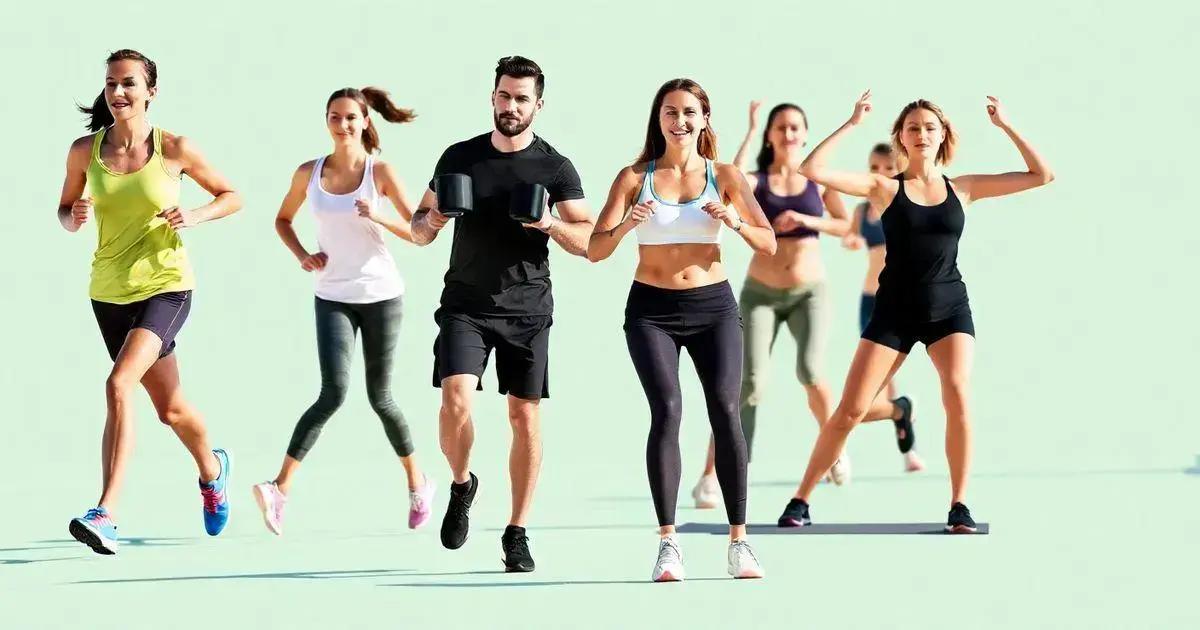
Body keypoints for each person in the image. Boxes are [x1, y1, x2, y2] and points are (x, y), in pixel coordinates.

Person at [777, 92, 1054, 533]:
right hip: (893, 312)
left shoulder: (964, 188)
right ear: (901, 138)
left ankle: (960, 505)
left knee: (958, 392)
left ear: (942, 135)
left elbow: (1042, 175)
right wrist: (851, 123)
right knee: (850, 409)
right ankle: (801, 499)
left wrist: (1005, 125)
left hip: (949, 310)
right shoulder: (884, 188)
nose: (921, 133)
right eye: (912, 128)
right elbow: (811, 170)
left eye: (929, 127)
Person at [409, 56, 594, 572]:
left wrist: (548, 224)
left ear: (539, 104)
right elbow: (419, 229)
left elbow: (590, 240)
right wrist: (438, 216)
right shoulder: (459, 155)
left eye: (522, 99)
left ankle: (517, 531)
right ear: (492, 96)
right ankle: (462, 484)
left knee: (524, 415)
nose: (511, 106)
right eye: (504, 96)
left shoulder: (555, 167)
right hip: (465, 305)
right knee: (455, 399)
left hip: (528, 309)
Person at [56, 49, 242, 555]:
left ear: (150, 91)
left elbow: (231, 194)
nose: (118, 93)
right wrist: (73, 216)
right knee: (171, 409)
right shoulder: (83, 151)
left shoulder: (174, 147)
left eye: (129, 84)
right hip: (108, 292)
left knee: (119, 384)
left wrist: (196, 216)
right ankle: (212, 469)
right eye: (111, 84)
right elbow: (64, 211)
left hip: (166, 285)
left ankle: (105, 513)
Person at [588, 79, 775, 581]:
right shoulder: (633, 177)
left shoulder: (727, 175)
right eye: (670, 112)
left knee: (725, 408)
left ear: (704, 118)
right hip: (651, 310)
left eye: (690, 112)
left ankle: (740, 542)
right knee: (668, 409)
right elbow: (595, 248)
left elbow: (769, 243)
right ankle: (669, 543)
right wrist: (628, 223)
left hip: (714, 305)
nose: (680, 121)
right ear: (659, 120)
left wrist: (733, 219)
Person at [252, 87, 434, 536]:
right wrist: (302, 255)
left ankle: (418, 483)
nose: (344, 124)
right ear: (327, 121)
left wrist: (377, 215)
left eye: (352, 117)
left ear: (366, 121)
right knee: (332, 392)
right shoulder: (308, 173)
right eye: (335, 117)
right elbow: (281, 219)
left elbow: (419, 231)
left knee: (380, 398)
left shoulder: (381, 172)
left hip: (381, 295)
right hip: (331, 293)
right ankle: (279, 489)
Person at [840, 142, 925, 474]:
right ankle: (898, 416)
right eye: (873, 168)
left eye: (887, 168)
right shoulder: (863, 211)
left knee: (886, 377)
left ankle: (908, 449)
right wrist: (851, 241)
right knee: (868, 377)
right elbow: (849, 236)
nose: (879, 175)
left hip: (899, 299)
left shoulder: (907, 205)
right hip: (869, 298)